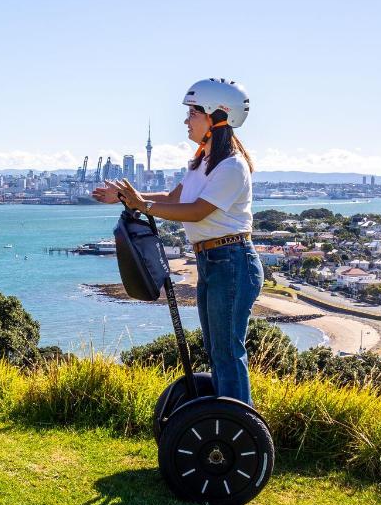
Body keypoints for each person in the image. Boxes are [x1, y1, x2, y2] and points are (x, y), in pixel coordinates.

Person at [93, 78, 263, 405]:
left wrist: (143, 205)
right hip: (211, 262)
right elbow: (174, 197)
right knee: (217, 351)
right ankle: (224, 423)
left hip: (233, 261)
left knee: (227, 352)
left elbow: (197, 211)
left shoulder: (232, 166)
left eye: (192, 114)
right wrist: (126, 199)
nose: (186, 121)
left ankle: (240, 430)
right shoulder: (202, 162)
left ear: (216, 116)